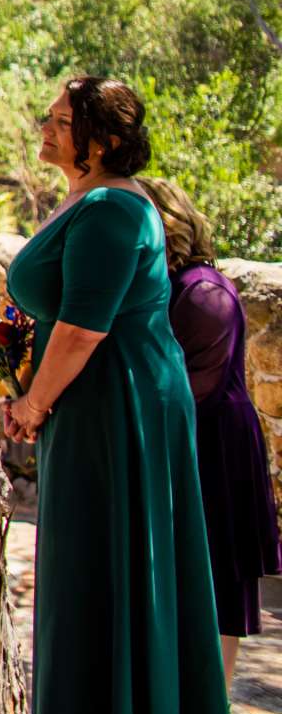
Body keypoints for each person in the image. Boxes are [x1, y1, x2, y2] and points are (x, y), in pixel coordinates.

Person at [3, 77, 232, 714]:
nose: (45, 128)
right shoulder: (93, 201)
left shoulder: (110, 208)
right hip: (102, 399)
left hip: (116, 403)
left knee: (114, 563)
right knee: (94, 564)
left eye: (61, 120)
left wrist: (33, 403)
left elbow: (83, 327)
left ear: (99, 140)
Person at [139, 177, 280, 686]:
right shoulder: (168, 287)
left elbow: (188, 388)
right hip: (195, 437)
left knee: (220, 569)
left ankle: (213, 710)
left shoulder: (201, 293)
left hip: (215, 445)